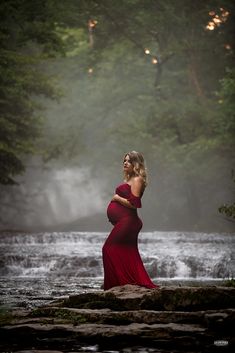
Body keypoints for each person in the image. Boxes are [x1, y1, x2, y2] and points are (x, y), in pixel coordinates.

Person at [102, 151, 158, 290]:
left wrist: (116, 198)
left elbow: (133, 204)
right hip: (125, 221)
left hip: (129, 221)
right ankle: (125, 282)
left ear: (136, 164)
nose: (125, 163)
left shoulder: (137, 180)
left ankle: (118, 283)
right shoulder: (129, 179)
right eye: (124, 161)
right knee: (128, 252)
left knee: (108, 248)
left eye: (129, 161)